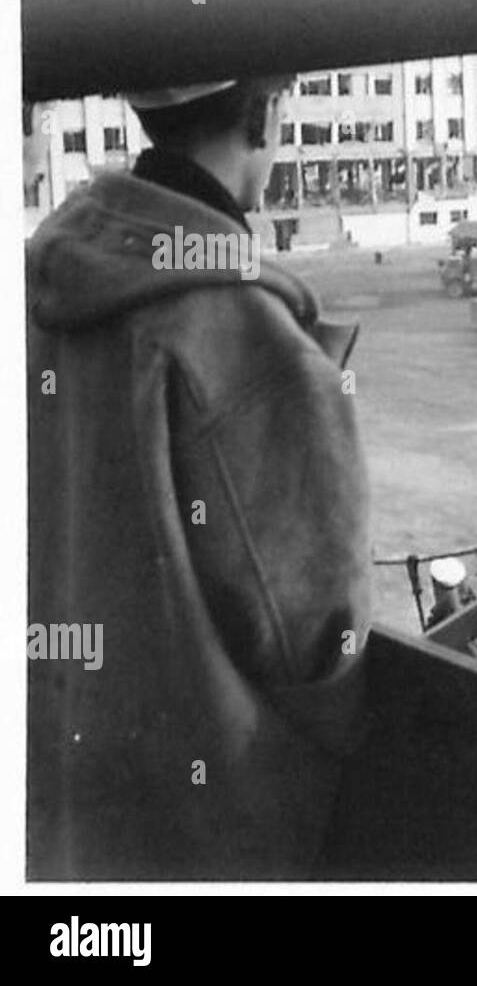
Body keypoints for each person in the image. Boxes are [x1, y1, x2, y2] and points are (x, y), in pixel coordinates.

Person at [27, 77, 371, 880]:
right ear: (264, 115)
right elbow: (322, 643)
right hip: (200, 840)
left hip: (61, 830)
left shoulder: (44, 278)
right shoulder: (248, 339)